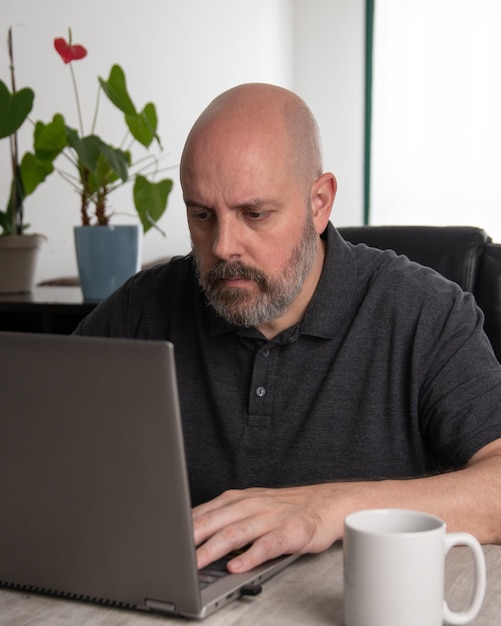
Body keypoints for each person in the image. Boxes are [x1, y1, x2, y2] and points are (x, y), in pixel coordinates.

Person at [74, 82, 501, 575]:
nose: (223, 246)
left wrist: (330, 509)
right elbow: (38, 442)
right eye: (202, 215)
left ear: (319, 203)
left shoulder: (424, 311)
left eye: (254, 214)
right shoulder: (143, 308)